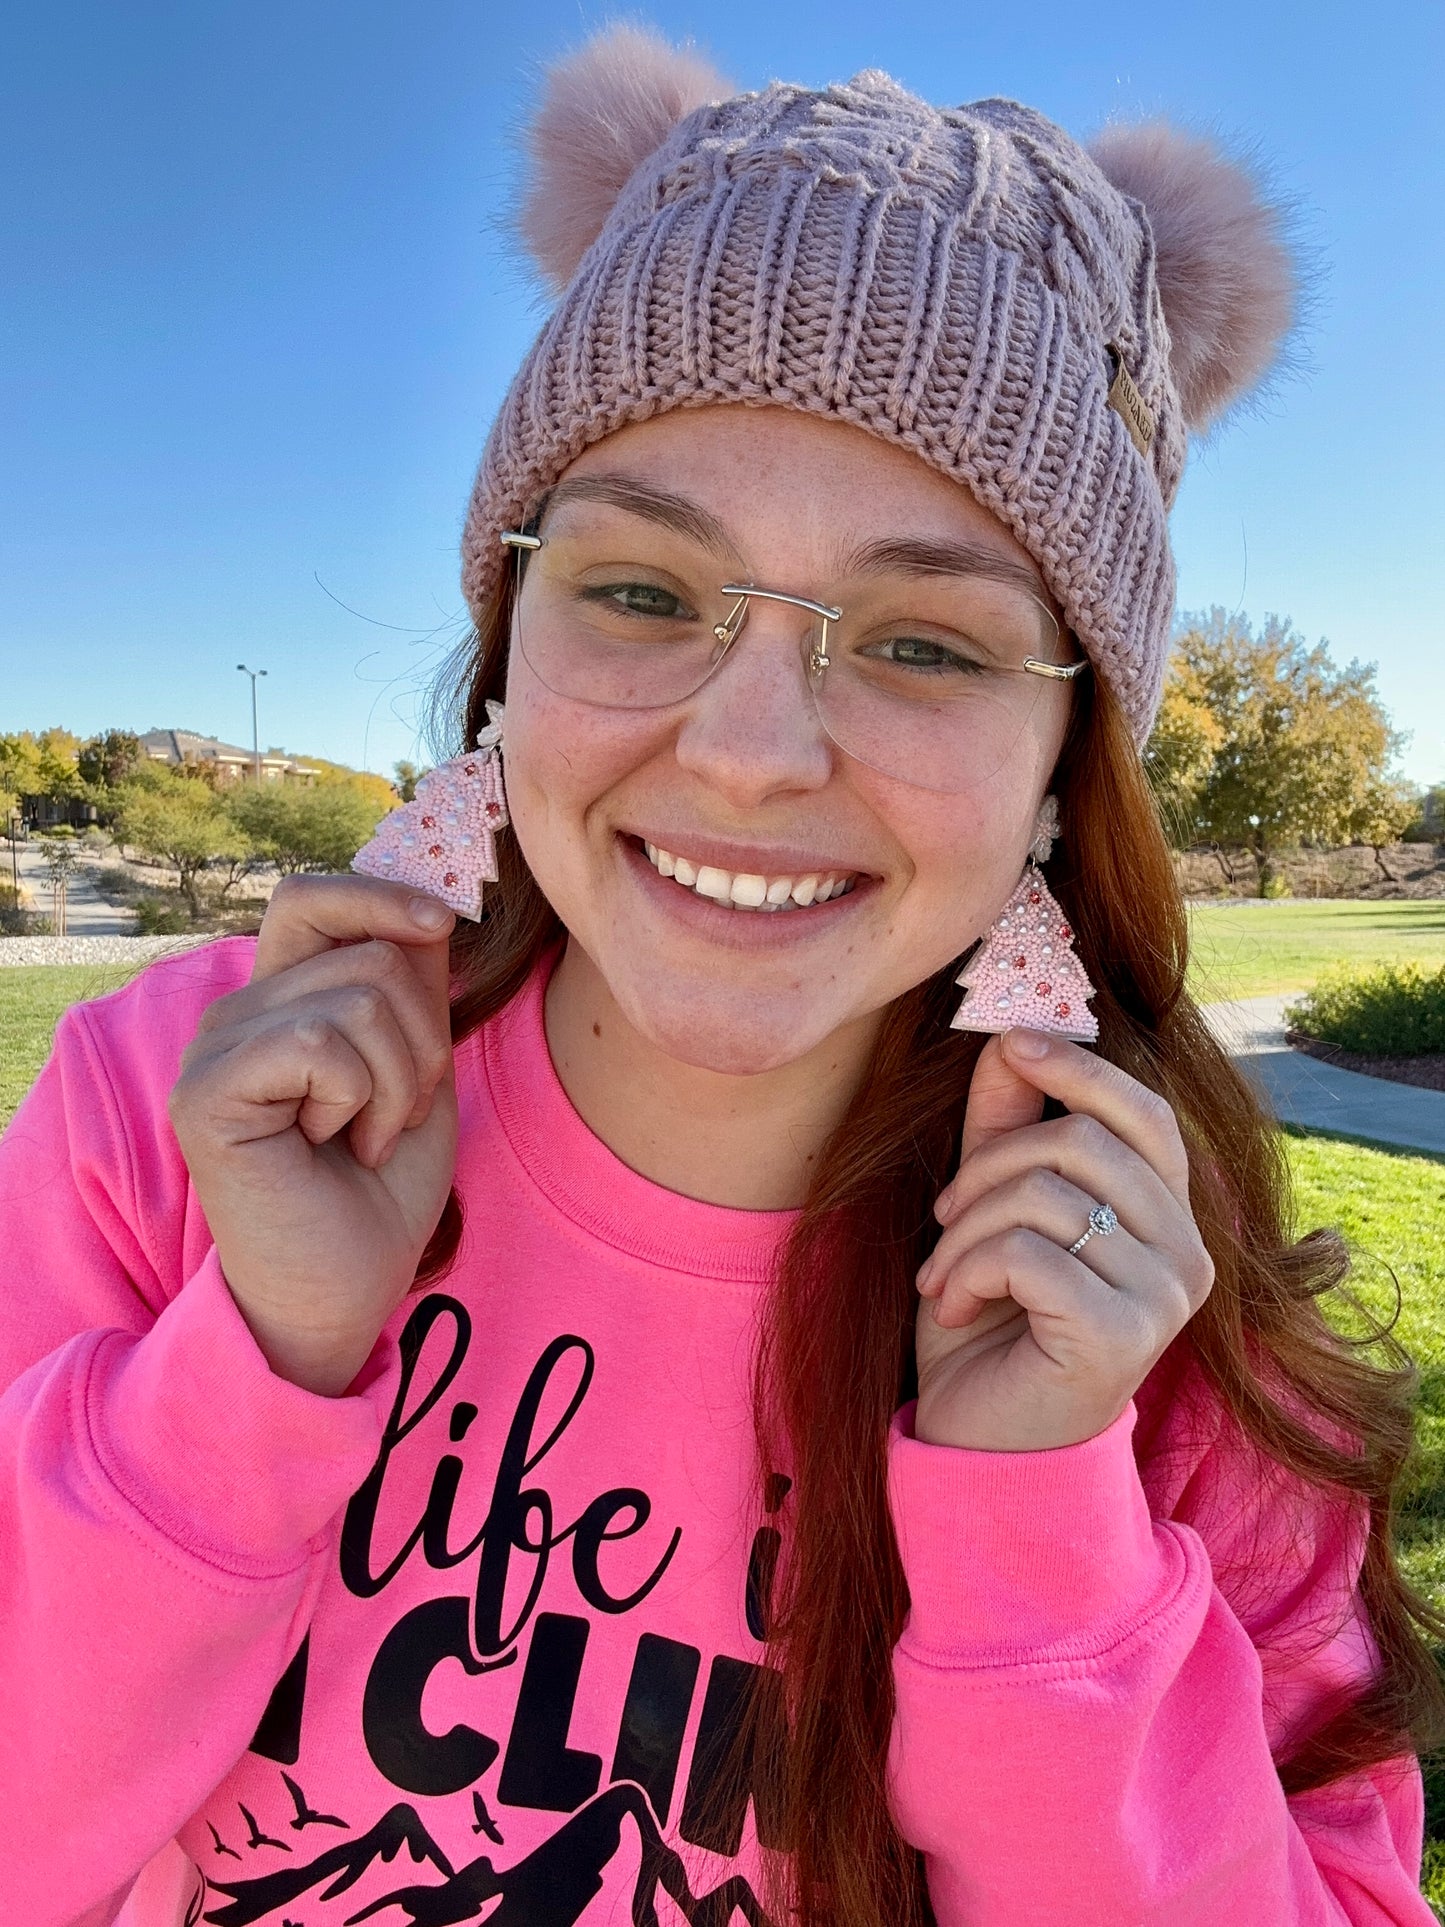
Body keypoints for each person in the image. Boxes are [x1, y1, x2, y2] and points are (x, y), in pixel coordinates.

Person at [1, 26, 1441, 1927]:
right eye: (645, 595)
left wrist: (1037, 1525)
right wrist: (245, 1371)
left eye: (926, 643)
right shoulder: (167, 1116)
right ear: (507, 641)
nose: (751, 749)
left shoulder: (1169, 1341)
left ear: (1061, 764)